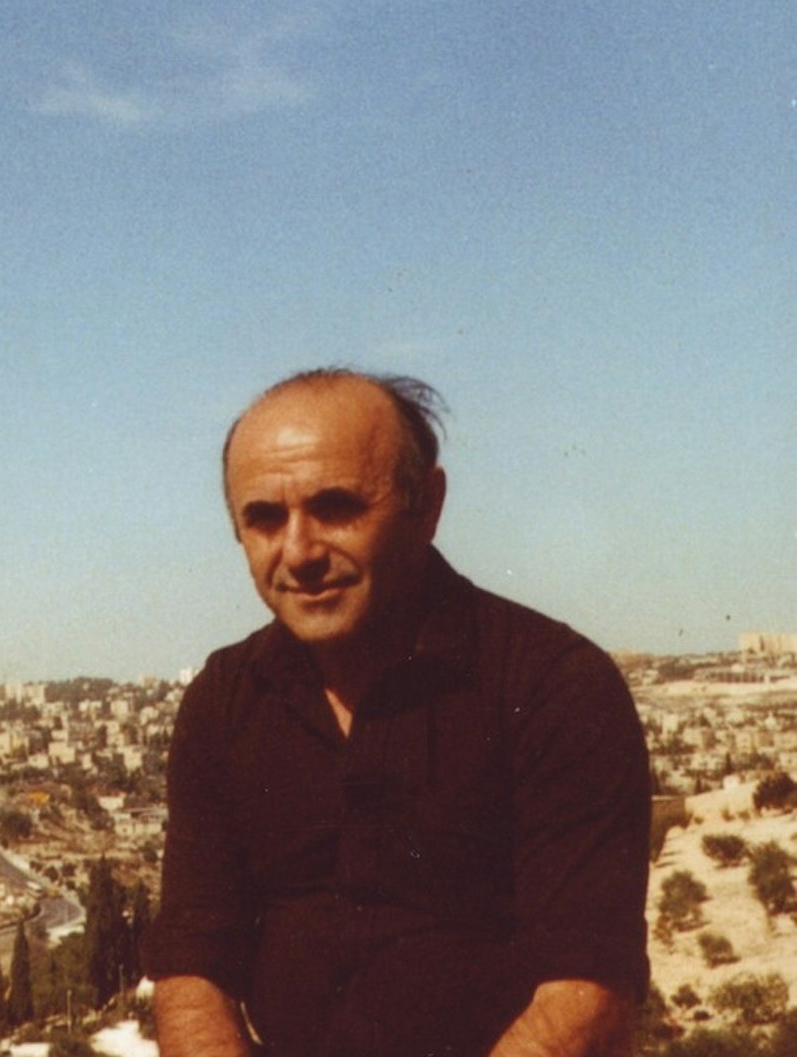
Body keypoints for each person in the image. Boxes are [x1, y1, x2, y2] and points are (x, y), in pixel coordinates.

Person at [140, 369, 650, 1057]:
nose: (299, 552)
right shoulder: (226, 699)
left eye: (336, 507)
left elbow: (586, 992)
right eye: (265, 518)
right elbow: (193, 967)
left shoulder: (554, 685)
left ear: (427, 504)